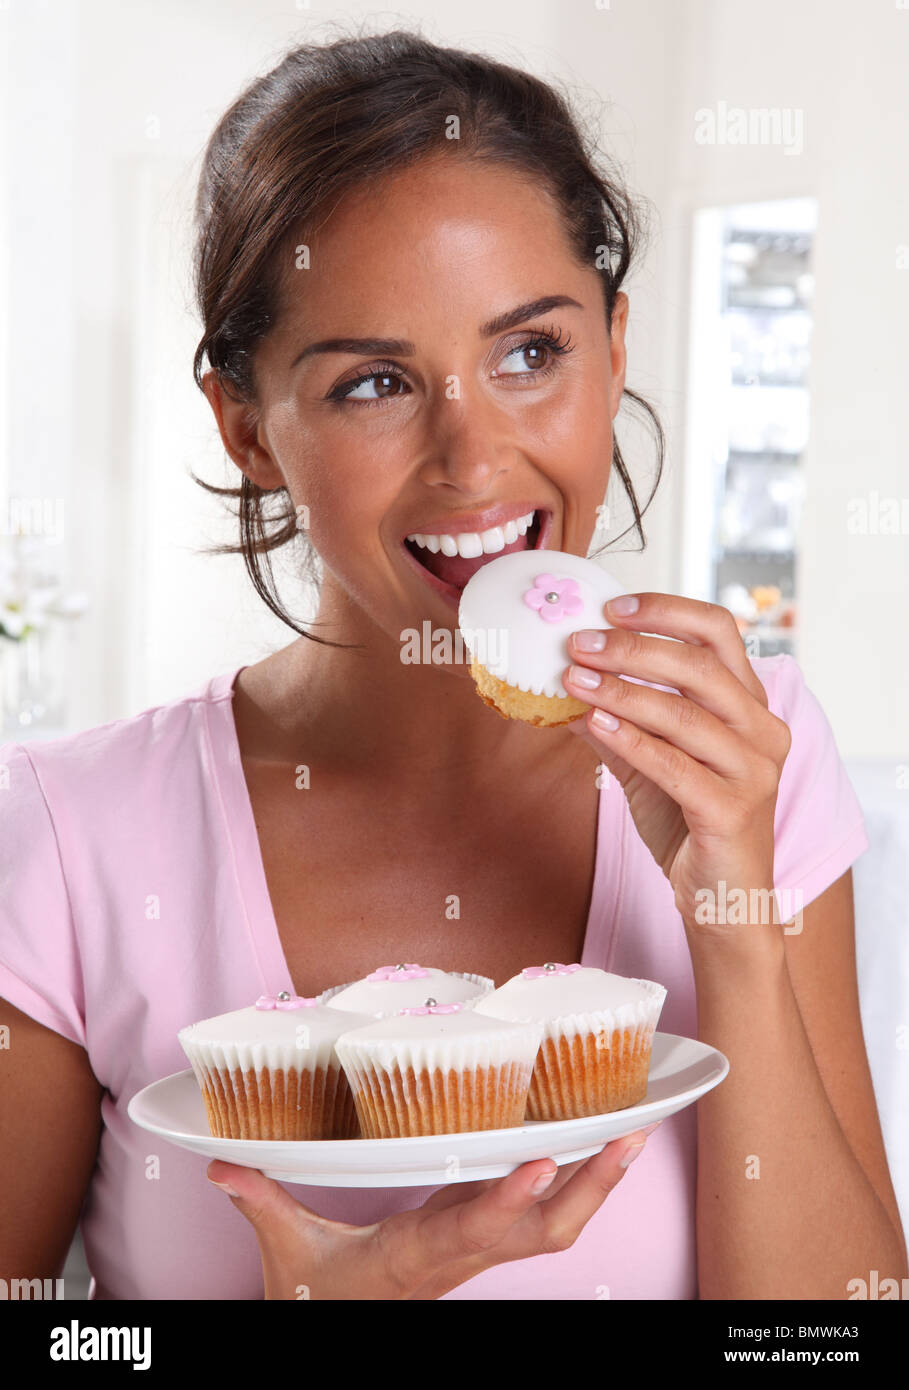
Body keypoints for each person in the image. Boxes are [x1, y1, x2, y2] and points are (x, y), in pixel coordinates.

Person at [1, 29, 905, 1302]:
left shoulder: (751, 748)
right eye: (375, 382)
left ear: (615, 347)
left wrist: (735, 934)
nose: (474, 463)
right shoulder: (66, 836)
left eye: (533, 352)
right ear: (248, 427)